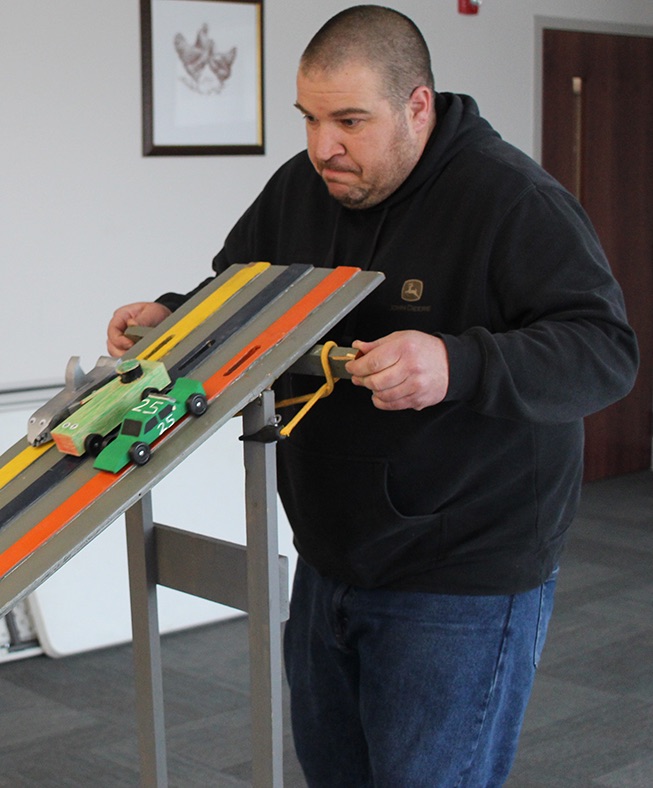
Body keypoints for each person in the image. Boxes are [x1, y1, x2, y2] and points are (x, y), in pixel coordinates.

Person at [107, 6, 638, 785]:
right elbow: (240, 294)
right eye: (310, 119)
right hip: (329, 556)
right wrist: (174, 316)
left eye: (350, 120)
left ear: (417, 106)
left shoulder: (510, 198)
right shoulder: (302, 186)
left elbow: (604, 353)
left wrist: (458, 365)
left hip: (460, 572)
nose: (325, 146)